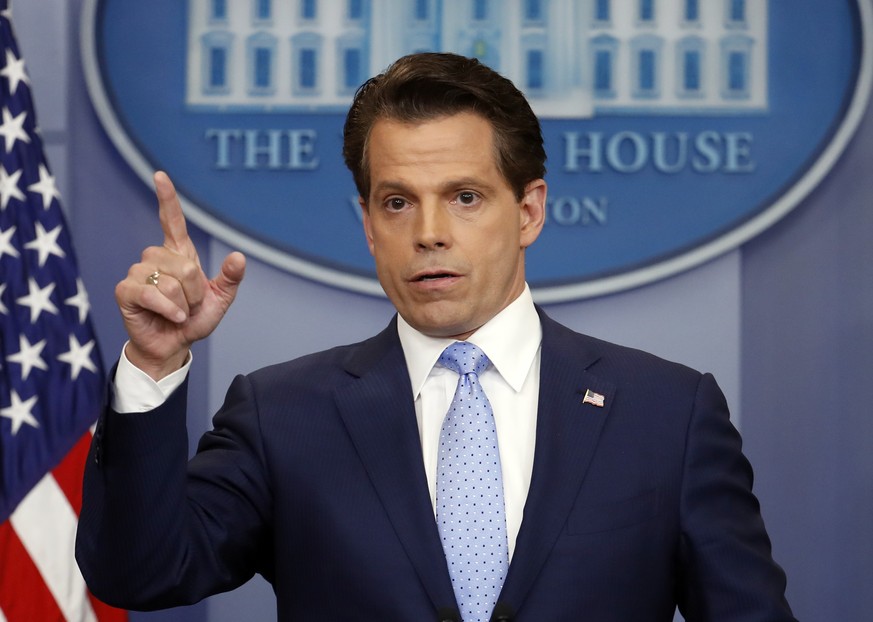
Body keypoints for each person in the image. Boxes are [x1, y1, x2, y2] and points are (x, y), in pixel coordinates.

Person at [76, 53, 796, 622]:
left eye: (464, 197)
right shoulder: (282, 414)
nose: (428, 233)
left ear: (528, 211)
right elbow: (142, 572)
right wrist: (152, 362)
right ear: (367, 222)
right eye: (397, 202)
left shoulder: (667, 413)